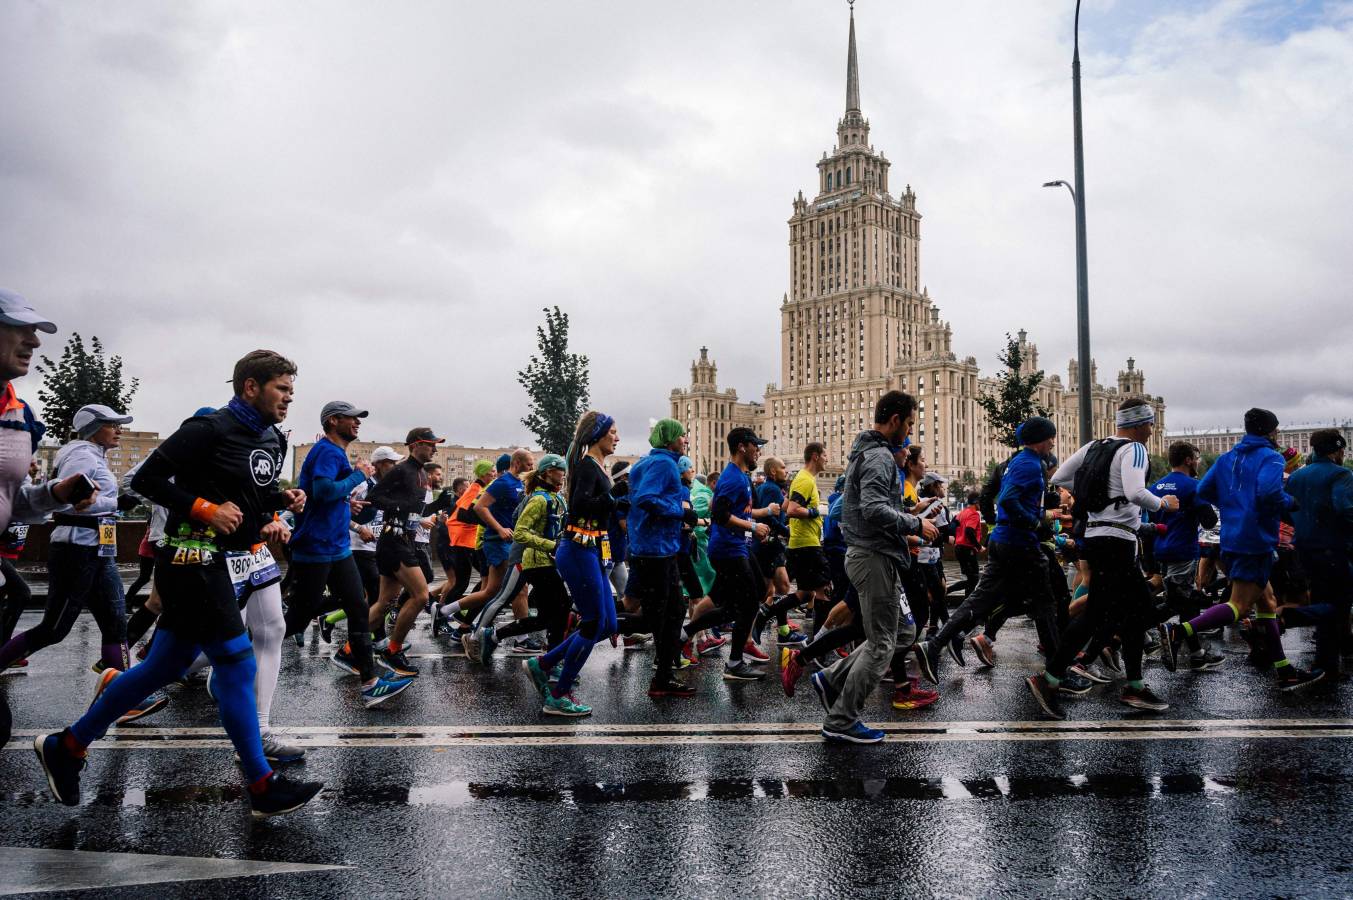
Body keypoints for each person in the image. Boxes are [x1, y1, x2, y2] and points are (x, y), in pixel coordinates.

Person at [35, 349, 323, 816]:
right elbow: (145, 480)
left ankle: (68, 745)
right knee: (237, 662)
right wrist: (202, 508)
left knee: (160, 669)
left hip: (225, 560)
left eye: (292, 390)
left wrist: (277, 502)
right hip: (189, 558)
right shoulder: (207, 428)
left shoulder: (272, 439)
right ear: (250, 386)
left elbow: (243, 497)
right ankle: (261, 783)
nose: (289, 398)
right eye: (281, 389)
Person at [1027, 400, 1176, 719]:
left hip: (1095, 537)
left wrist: (1095, 499)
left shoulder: (1095, 446)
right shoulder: (1135, 449)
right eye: (1149, 424)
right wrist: (1163, 503)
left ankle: (1132, 685)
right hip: (1117, 540)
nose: (1151, 430)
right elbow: (1137, 493)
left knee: (1130, 612)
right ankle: (1050, 678)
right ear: (1139, 424)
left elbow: (1062, 477)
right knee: (1108, 613)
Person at [810, 391, 937, 743]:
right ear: (895, 420)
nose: (910, 431)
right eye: (909, 422)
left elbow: (877, 507)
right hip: (873, 557)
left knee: (904, 634)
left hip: (877, 555)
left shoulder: (870, 453)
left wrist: (909, 519)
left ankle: (831, 679)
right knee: (882, 643)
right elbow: (872, 509)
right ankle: (841, 720)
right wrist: (915, 525)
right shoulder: (880, 457)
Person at [1163, 408, 1322, 691]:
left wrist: (1233, 503)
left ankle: (1284, 670)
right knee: (1239, 605)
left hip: (1232, 537)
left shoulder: (1227, 458)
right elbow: (1270, 493)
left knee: (1267, 604)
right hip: (1256, 539)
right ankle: (1180, 631)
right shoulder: (1271, 457)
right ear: (1270, 432)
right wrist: (1291, 503)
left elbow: (1205, 491)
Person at [0, 290, 96, 747]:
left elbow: (11, 499)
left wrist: (53, 495)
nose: (33, 342)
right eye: (19, 328)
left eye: (35, 332)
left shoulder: (21, 415)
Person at [917, 417, 1076, 693]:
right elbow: (1008, 499)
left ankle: (934, 645)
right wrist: (1033, 522)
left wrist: (1040, 508)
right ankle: (1057, 672)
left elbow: (1012, 496)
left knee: (980, 600)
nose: (1053, 442)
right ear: (1040, 439)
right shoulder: (1028, 464)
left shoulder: (1019, 462)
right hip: (1021, 543)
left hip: (1005, 541)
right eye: (1050, 437)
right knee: (1046, 604)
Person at [0, 405, 146, 689]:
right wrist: (117, 503)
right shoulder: (80, 456)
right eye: (111, 424)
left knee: (116, 624)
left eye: (119, 425)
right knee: (54, 629)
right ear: (93, 428)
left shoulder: (95, 456)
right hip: (75, 550)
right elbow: (71, 500)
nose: (118, 430)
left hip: (98, 550)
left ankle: (125, 696)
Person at [284, 401, 413, 708]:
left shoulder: (334, 451)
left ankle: (369, 683)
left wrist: (347, 504)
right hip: (316, 546)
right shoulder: (327, 450)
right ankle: (226, 657)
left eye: (359, 419)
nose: (357, 423)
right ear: (333, 421)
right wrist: (358, 476)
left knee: (358, 606)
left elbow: (330, 496)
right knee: (297, 618)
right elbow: (322, 490)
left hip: (337, 546)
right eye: (352, 419)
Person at [524, 412, 619, 716]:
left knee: (608, 624)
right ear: (598, 435)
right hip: (578, 550)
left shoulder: (596, 466)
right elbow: (580, 506)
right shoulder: (588, 466)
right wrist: (614, 499)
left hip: (592, 549)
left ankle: (544, 663)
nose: (617, 438)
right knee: (593, 624)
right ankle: (558, 694)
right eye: (613, 432)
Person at [677, 427, 780, 681]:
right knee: (745, 604)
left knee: (748, 595)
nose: (759, 450)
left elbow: (739, 512)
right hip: (727, 550)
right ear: (743, 447)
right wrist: (753, 527)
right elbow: (720, 515)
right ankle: (733, 663)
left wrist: (760, 518)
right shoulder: (732, 477)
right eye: (756, 445)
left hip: (737, 547)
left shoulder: (742, 476)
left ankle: (684, 634)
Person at [622, 418, 697, 697]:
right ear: (669, 440)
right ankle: (590, 623)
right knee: (661, 618)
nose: (685, 440)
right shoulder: (664, 464)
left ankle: (663, 677)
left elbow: (635, 499)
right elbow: (645, 498)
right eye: (681, 436)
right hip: (657, 550)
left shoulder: (644, 462)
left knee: (672, 612)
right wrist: (681, 512)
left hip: (652, 547)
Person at [1269, 428, 1352, 680]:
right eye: (1342, 450)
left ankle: (1325, 666)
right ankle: (1290, 615)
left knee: (1325, 602)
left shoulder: (1297, 477)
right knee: (1339, 605)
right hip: (1335, 549)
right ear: (1336, 450)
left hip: (1304, 549)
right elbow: (1345, 509)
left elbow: (1285, 510)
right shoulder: (1341, 474)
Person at [363, 427, 444, 676]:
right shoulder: (402, 470)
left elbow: (414, 510)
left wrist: (432, 508)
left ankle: (351, 648)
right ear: (414, 445)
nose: (434, 448)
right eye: (430, 444)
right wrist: (400, 507)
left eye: (435, 444)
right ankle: (392, 650)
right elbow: (374, 496)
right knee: (420, 596)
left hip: (402, 539)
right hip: (394, 539)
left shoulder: (421, 473)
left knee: (385, 602)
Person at [481, 455, 572, 662]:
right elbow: (520, 533)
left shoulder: (557, 498)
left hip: (550, 562)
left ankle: (495, 636)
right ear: (549, 472)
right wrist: (552, 545)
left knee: (547, 617)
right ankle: (553, 660)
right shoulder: (538, 499)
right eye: (561, 471)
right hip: (536, 563)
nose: (564, 476)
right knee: (561, 608)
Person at [1149, 441, 1223, 670]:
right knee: (1177, 602)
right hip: (1183, 550)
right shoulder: (1193, 486)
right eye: (1197, 458)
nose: (1199, 462)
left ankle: (1197, 653)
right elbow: (1209, 521)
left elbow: (1149, 521)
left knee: (1185, 601)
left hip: (1160, 549)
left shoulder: (1155, 487)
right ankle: (1124, 631)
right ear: (1189, 460)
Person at [951, 492, 983, 599]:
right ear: (976, 502)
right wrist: (979, 546)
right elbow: (969, 531)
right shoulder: (974, 514)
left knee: (969, 579)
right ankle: (945, 591)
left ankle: (967, 602)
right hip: (967, 549)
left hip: (959, 548)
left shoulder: (961, 513)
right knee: (973, 579)